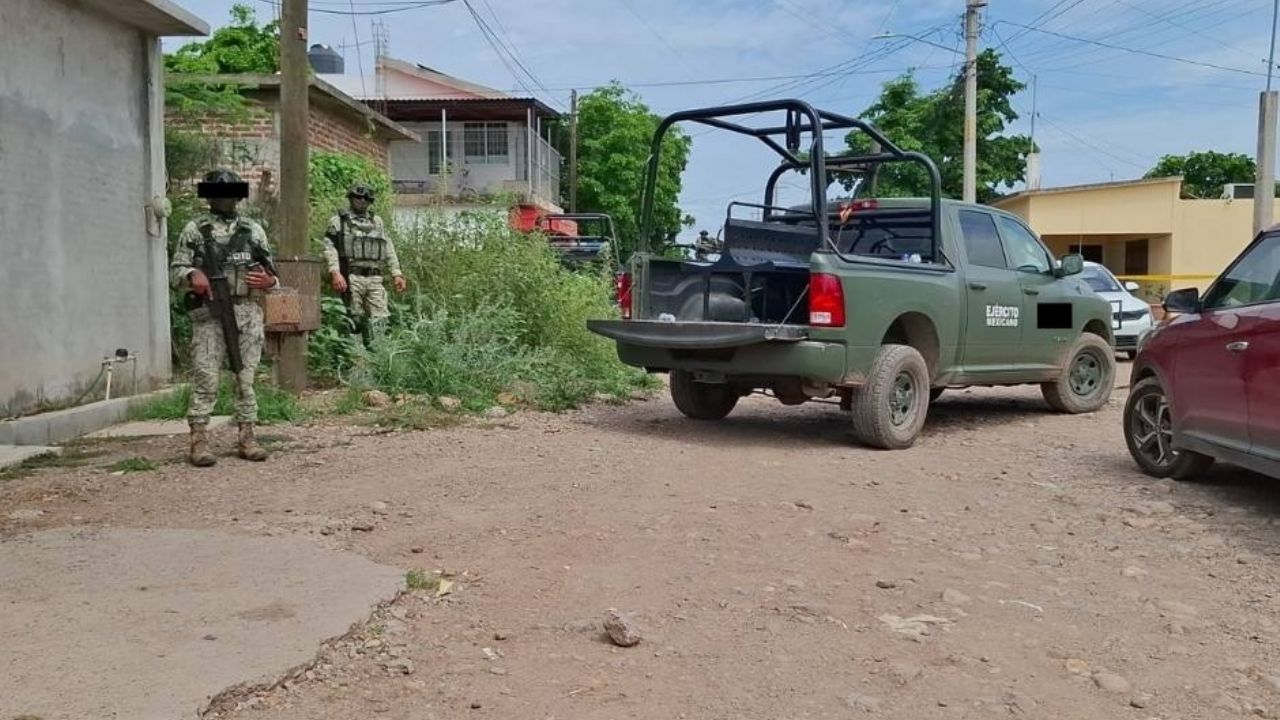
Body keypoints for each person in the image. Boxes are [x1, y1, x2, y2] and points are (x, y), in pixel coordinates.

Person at [170, 169, 279, 467]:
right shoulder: (195, 230)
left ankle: (247, 436)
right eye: (218, 195)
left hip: (247, 311)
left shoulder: (253, 230)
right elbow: (176, 271)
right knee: (206, 375)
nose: (224, 200)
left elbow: (272, 273)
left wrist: (269, 281)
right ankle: (199, 439)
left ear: (237, 197)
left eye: (229, 194)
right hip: (210, 312)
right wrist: (192, 274)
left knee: (246, 377)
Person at [321, 184, 406, 341]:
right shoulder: (339, 221)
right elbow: (329, 248)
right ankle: (356, 352)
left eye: (366, 199)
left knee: (381, 320)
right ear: (351, 198)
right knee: (354, 319)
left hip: (375, 278)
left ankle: (378, 352)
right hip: (351, 277)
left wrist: (397, 274)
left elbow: (388, 247)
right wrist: (335, 273)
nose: (362, 201)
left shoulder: (377, 222)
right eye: (358, 197)